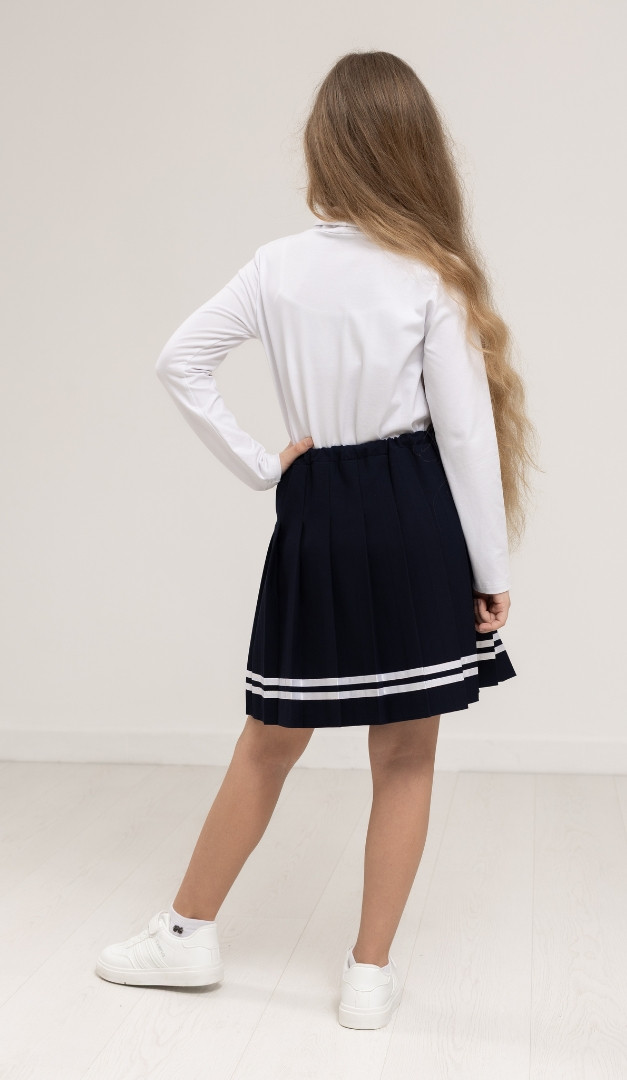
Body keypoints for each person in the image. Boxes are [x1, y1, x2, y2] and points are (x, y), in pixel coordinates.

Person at [95, 50, 538, 1030]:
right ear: (415, 152)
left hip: (321, 511)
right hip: (417, 512)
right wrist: (490, 569)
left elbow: (180, 361)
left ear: (325, 148)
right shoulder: (432, 275)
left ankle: (187, 932)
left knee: (270, 737)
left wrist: (266, 464)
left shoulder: (276, 267)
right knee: (406, 754)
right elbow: (464, 437)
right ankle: (368, 975)